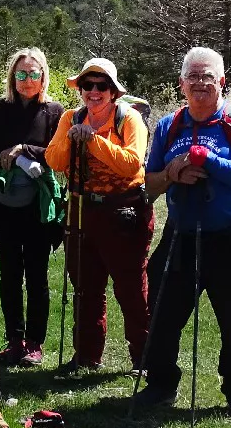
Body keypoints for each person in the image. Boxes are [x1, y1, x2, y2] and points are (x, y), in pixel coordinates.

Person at [133, 47, 231, 423]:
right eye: (193, 76)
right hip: (182, 235)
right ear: (181, 84)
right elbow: (148, 185)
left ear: (222, 81)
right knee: (162, 315)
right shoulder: (168, 126)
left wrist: (206, 160)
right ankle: (161, 385)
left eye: (207, 76)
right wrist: (173, 172)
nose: (200, 83)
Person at [43, 57, 151, 373]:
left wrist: (93, 141)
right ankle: (87, 356)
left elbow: (132, 164)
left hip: (125, 212)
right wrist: (72, 137)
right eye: (87, 85)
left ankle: (144, 358)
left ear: (113, 91)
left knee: (131, 288)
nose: (93, 91)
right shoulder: (70, 118)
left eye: (101, 85)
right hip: (81, 210)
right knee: (85, 287)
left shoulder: (129, 119)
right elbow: (54, 160)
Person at [0, 48, 67, 368]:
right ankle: (14, 340)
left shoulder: (54, 112)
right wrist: (1, 156)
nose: (27, 80)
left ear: (43, 76)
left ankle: (35, 344)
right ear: (13, 77)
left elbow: (58, 154)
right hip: (5, 204)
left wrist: (23, 149)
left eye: (33, 74)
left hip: (39, 206)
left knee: (37, 275)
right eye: (21, 74)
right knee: (10, 274)